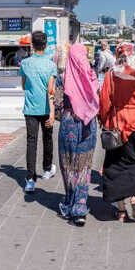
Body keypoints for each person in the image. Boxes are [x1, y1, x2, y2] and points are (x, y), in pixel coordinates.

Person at [97, 41, 135, 221]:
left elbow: (105, 102)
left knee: (114, 165)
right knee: (132, 162)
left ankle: (121, 209)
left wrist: (103, 120)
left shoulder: (110, 76)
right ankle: (134, 198)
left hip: (116, 123)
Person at [52, 31, 100, 225]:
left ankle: (71, 202)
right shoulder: (92, 75)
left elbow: (56, 105)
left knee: (68, 163)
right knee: (84, 165)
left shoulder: (62, 78)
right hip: (90, 124)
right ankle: (81, 205)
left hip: (69, 122)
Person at [17, 29, 57, 191]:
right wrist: (53, 113)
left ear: (32, 45)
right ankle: (47, 169)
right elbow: (51, 91)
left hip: (30, 107)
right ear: (46, 45)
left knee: (31, 141)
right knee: (47, 139)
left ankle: (30, 179)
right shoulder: (51, 65)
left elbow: (23, 85)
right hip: (46, 108)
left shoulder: (25, 64)